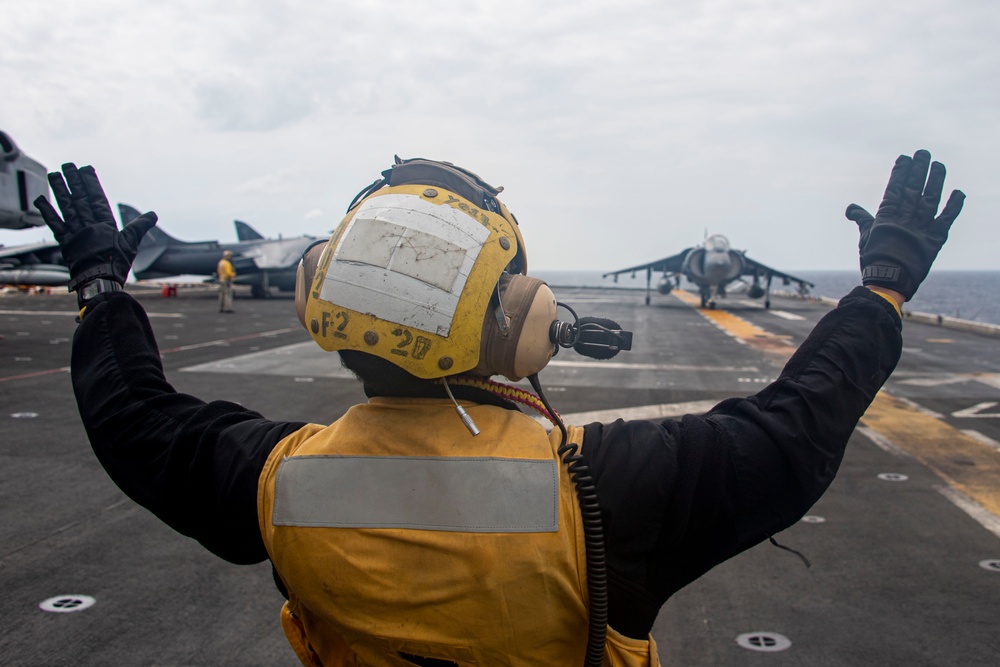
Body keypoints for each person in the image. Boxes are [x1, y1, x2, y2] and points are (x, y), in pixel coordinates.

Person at [34, 151, 963, 667]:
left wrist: (103, 288)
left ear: (328, 299)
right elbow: (793, 432)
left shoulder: (276, 482)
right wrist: (879, 292)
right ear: (521, 325)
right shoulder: (600, 496)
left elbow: (134, 418)